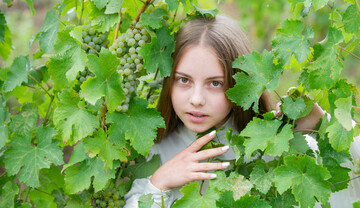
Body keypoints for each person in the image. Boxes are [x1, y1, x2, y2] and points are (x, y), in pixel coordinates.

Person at [124, 15, 360, 207]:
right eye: (184, 80)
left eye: (215, 83)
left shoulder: (271, 147)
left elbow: (350, 183)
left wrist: (323, 125)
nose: (196, 100)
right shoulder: (150, 149)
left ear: (240, 85)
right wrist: (158, 184)